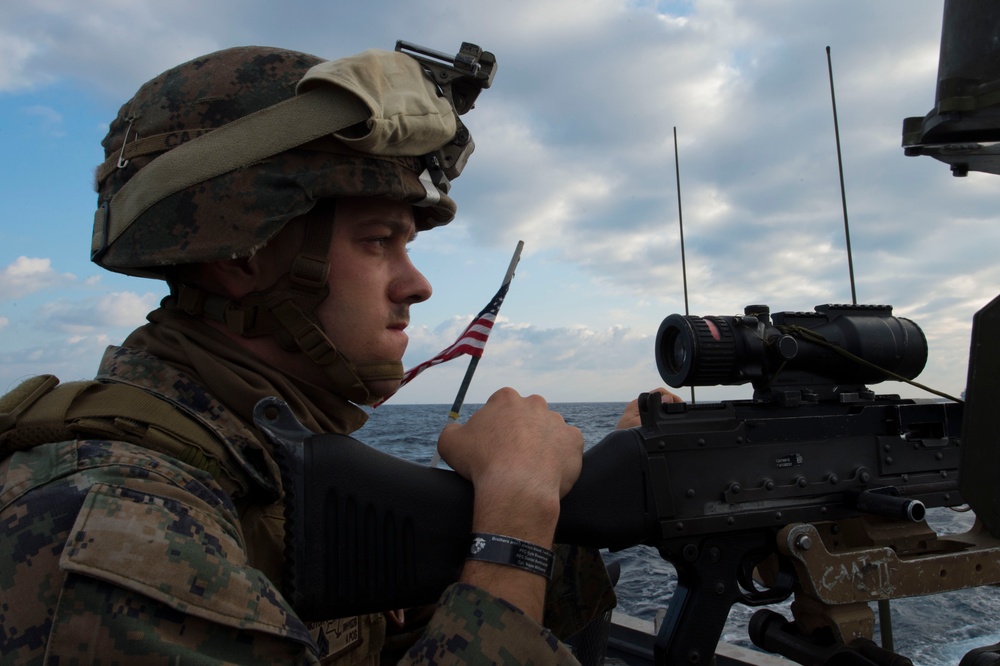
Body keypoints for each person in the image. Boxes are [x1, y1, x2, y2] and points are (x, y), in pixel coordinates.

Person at [0, 44, 685, 664]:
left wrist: (614, 490)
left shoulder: (258, 469)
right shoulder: (110, 524)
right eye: (378, 240)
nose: (416, 284)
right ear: (247, 258)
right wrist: (512, 530)